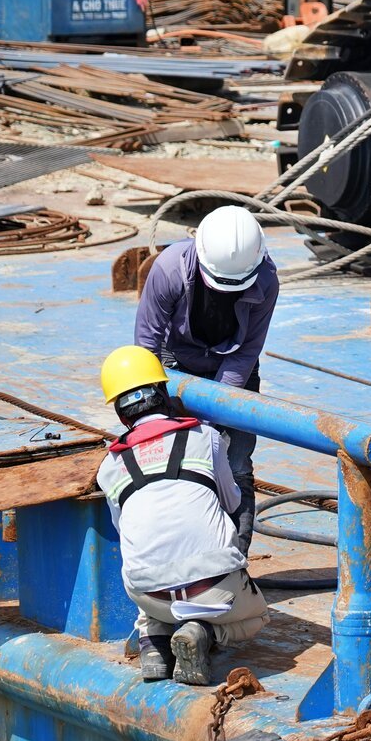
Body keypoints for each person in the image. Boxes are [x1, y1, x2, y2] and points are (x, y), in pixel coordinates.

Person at [96, 346, 269, 684]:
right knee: (257, 617)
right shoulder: (206, 437)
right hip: (214, 585)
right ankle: (204, 633)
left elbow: (122, 527)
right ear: (164, 393)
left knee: (149, 561)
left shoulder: (108, 466)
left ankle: (153, 644)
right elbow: (232, 502)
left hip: (150, 595)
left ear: (120, 414)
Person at [133, 206, 277, 550]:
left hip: (234, 368)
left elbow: (246, 352)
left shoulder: (267, 279)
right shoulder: (169, 268)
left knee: (236, 463)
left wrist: (215, 411)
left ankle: (232, 562)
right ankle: (178, 552)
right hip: (175, 362)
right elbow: (147, 342)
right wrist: (155, 403)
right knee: (172, 456)